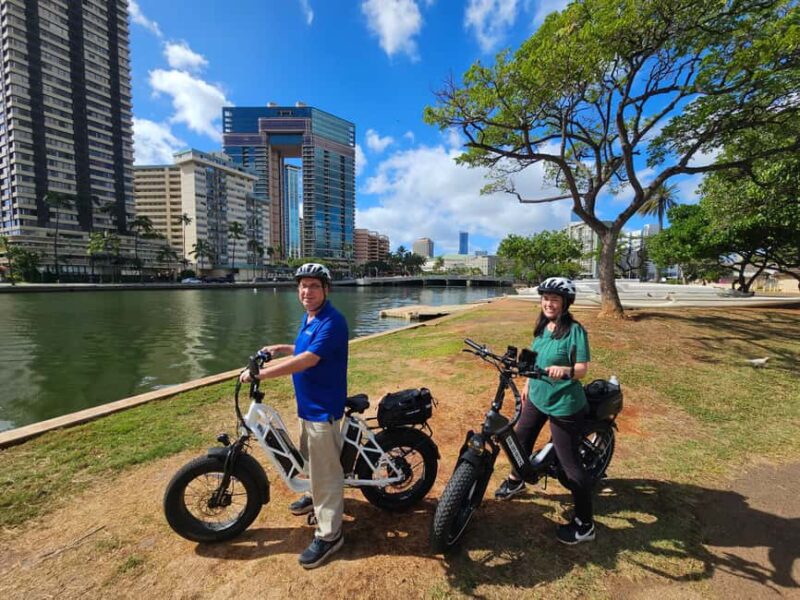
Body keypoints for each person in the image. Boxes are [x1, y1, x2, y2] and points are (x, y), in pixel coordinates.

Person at [239, 262, 348, 568]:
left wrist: (262, 373)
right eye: (303, 285)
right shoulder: (311, 317)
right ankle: (314, 496)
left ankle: (330, 535)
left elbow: (309, 359)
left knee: (326, 475)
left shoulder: (332, 322)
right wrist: (281, 348)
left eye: (314, 286)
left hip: (322, 409)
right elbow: (302, 348)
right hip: (308, 407)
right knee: (310, 459)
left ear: (326, 290)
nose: (307, 291)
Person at [493, 276, 596, 544]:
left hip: (564, 404)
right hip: (538, 395)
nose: (549, 303)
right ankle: (517, 479)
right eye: (546, 298)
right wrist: (528, 383)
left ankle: (585, 525)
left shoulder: (575, 330)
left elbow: (583, 369)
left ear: (565, 303)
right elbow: (535, 359)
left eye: (555, 299)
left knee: (570, 465)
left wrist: (568, 370)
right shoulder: (542, 327)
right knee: (520, 440)